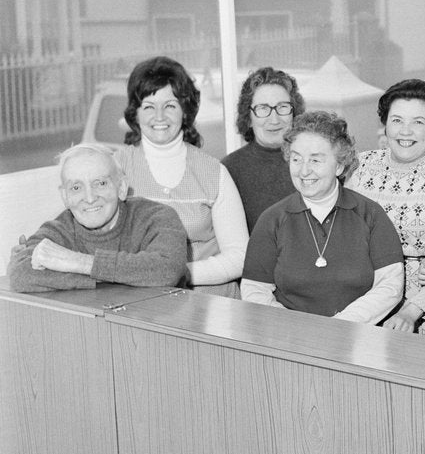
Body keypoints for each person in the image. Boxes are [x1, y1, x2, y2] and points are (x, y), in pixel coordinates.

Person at [241, 110, 404, 321]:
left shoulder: (370, 214)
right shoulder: (271, 220)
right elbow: (255, 290)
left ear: (340, 165)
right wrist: (294, 328)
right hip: (291, 338)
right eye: (297, 159)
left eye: (316, 161)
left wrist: (341, 327)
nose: (304, 171)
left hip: (359, 336)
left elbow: (390, 286)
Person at [347, 79, 425, 337]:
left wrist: (410, 311)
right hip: (365, 301)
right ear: (385, 124)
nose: (405, 131)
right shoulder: (361, 165)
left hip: (423, 310)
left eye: (418, 122)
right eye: (397, 120)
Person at [115, 55, 248, 297]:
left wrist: (175, 272)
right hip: (140, 302)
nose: (159, 117)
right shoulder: (117, 168)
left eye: (170, 106)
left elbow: (239, 256)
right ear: (135, 113)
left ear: (185, 111)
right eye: (148, 106)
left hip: (212, 304)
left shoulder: (214, 172)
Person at [8, 143, 187, 293]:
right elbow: (20, 274)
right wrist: (125, 275)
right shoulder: (58, 229)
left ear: (122, 187)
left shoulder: (158, 216)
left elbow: (167, 269)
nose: (90, 198)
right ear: (65, 196)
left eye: (100, 183)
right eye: (76, 188)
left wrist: (75, 262)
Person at [222, 66, 307, 232]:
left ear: (294, 112)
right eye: (263, 108)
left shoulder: (311, 161)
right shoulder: (230, 170)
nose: (274, 119)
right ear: (248, 117)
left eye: (282, 107)